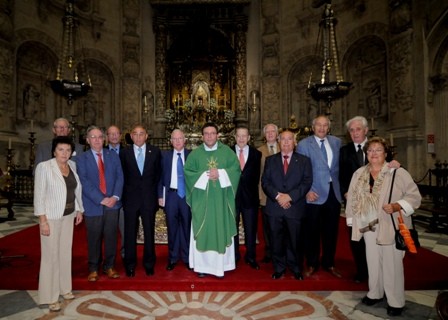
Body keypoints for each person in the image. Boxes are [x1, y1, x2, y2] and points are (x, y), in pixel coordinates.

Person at [345, 137, 421, 317]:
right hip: (368, 225)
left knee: (392, 264)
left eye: (378, 150)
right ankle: (375, 293)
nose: (374, 154)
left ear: (385, 153)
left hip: (390, 224)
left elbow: (414, 197)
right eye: (370, 150)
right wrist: (352, 221)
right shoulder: (359, 173)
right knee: (372, 261)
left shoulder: (397, 172)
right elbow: (353, 197)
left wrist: (397, 205)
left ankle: (395, 301)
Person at [34, 136, 84, 312]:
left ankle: (65, 289)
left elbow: (74, 190)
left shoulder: (72, 166)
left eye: (68, 150)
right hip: (51, 218)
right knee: (51, 257)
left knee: (64, 254)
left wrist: (79, 209)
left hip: (68, 215)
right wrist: (43, 221)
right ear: (54, 151)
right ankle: (50, 296)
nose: (65, 153)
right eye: (61, 149)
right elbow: (39, 196)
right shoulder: (45, 167)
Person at [184, 122, 240, 278]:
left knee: (219, 228)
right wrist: (207, 174)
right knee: (203, 231)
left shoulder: (227, 152)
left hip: (221, 202)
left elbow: (236, 170)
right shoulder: (195, 154)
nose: (209, 136)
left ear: (217, 135)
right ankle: (202, 266)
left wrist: (221, 173)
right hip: (202, 202)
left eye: (212, 133)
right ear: (202, 136)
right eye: (206, 133)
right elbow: (188, 173)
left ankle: (221, 266)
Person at [262, 130, 313, 280]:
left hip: (295, 207)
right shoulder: (270, 160)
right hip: (275, 207)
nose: (285, 142)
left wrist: (290, 197)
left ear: (294, 142)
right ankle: (279, 268)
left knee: (295, 240)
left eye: (289, 139)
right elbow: (265, 182)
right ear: (278, 142)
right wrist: (278, 196)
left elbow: (307, 182)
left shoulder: (304, 161)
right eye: (283, 139)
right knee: (276, 241)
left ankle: (296, 268)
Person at [297, 115, 343, 278]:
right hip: (313, 193)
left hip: (333, 193)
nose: (322, 128)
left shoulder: (337, 142)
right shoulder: (303, 144)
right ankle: (311, 263)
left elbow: (340, 168)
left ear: (328, 127)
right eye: (319, 125)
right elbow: (301, 171)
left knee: (331, 231)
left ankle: (329, 263)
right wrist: (306, 191)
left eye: (325, 125)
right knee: (312, 231)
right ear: (313, 127)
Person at [76, 126, 124, 282]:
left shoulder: (113, 156)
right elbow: (83, 181)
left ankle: (109, 266)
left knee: (111, 237)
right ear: (87, 140)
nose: (96, 140)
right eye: (93, 137)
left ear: (104, 139)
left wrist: (115, 197)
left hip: (112, 204)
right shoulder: (81, 158)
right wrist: (100, 198)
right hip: (93, 204)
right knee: (94, 238)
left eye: (99, 137)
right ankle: (93, 268)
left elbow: (119, 177)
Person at [120, 124, 161, 277]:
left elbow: (158, 175)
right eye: (135, 134)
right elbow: (122, 176)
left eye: (141, 133)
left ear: (146, 136)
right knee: (130, 233)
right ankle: (130, 265)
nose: (138, 137)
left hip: (149, 199)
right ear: (131, 136)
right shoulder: (124, 153)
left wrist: (156, 195)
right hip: (130, 199)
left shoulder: (155, 152)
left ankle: (149, 263)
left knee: (149, 233)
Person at [339, 116, 369, 283]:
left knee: (372, 237)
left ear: (365, 130)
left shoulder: (376, 147)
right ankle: (361, 271)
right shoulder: (344, 151)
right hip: (352, 202)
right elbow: (340, 175)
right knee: (355, 236)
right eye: (352, 130)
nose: (355, 133)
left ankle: (375, 270)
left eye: (358, 129)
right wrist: (345, 192)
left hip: (373, 202)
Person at [158, 129, 192, 271]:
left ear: (185, 140)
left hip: (187, 197)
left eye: (180, 138)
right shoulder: (164, 156)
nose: (177, 141)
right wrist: (160, 195)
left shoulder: (192, 155)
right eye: (174, 139)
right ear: (170, 141)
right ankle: (172, 258)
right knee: (172, 228)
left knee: (186, 227)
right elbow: (159, 177)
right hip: (171, 196)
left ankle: (186, 258)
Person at [231, 126, 262, 269]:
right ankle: (234, 256)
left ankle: (251, 257)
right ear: (235, 137)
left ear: (249, 137)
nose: (241, 138)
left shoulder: (257, 154)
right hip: (232, 198)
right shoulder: (228, 152)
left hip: (251, 198)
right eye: (239, 136)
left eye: (244, 136)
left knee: (251, 229)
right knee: (233, 229)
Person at [257, 123, 280, 263]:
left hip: (284, 193)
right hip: (265, 194)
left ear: (277, 134)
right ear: (264, 135)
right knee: (267, 226)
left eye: (273, 131)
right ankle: (269, 252)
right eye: (268, 132)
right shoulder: (259, 151)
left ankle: (281, 251)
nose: (270, 134)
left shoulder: (285, 147)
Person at [106, 125, 125, 259]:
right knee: (108, 230)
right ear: (107, 137)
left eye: (116, 133)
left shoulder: (128, 152)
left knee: (125, 228)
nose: (114, 136)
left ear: (121, 135)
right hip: (108, 198)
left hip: (125, 197)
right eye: (111, 134)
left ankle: (124, 252)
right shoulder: (101, 152)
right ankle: (109, 256)